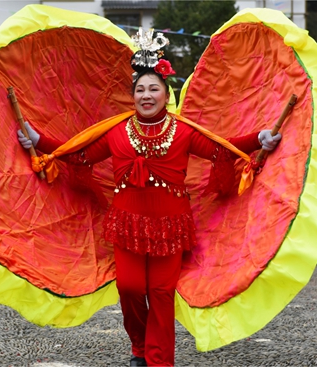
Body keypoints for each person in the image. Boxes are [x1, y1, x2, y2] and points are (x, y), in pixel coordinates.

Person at [17, 32, 281, 367]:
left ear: (166, 95)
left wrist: (260, 139)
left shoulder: (183, 131)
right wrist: (37, 140)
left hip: (171, 227)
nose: (146, 94)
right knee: (128, 288)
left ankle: (159, 361)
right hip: (126, 225)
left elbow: (221, 148)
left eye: (153, 88)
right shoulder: (116, 131)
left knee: (160, 293)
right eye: (140, 89)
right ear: (133, 96)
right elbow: (77, 154)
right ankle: (140, 346)